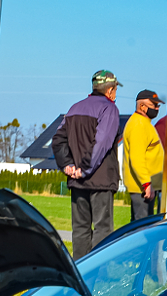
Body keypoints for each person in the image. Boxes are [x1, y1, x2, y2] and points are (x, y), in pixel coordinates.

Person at [52, 70, 122, 258]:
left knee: (80, 228)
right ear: (110, 91)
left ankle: (80, 269)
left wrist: (67, 165)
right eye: (115, 90)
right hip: (99, 179)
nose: (115, 94)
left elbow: (58, 139)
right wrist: (84, 168)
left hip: (76, 180)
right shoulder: (109, 109)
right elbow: (102, 142)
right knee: (103, 228)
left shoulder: (74, 108)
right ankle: (98, 271)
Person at [122, 89, 166, 221]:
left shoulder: (144, 123)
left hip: (146, 187)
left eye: (158, 105)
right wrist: (146, 184)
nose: (157, 108)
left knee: (142, 225)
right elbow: (137, 158)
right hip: (142, 189)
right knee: (141, 228)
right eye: (154, 105)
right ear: (142, 106)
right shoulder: (139, 125)